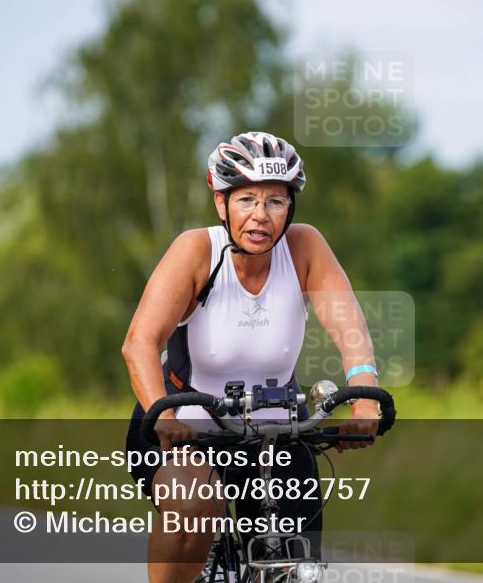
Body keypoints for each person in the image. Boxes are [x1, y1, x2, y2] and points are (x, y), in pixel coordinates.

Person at [122, 131, 382, 583]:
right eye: (246, 199)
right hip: (184, 423)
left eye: (276, 201)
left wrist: (365, 397)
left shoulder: (304, 247)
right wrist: (162, 417)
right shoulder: (196, 251)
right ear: (221, 202)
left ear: (291, 206)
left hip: (278, 424)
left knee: (298, 566)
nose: (260, 216)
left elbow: (349, 327)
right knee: (193, 508)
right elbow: (139, 343)